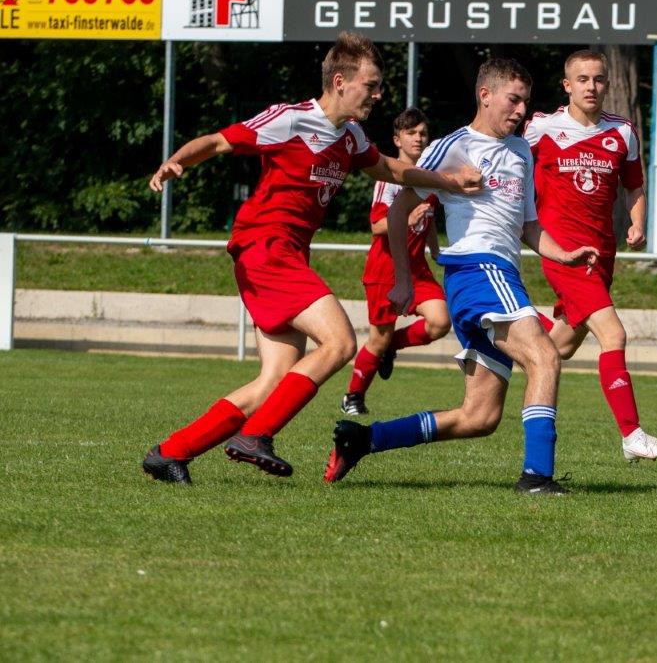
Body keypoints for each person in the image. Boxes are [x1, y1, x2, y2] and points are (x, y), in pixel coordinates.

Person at [141, 32, 480, 485]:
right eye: (371, 86)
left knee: (273, 381)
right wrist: (178, 161)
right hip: (265, 247)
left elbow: (389, 169)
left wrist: (448, 181)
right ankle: (256, 435)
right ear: (340, 82)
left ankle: (170, 453)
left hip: (286, 254)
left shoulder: (350, 137)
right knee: (339, 343)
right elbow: (219, 142)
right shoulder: (291, 120)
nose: (378, 95)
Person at [324, 58, 599, 495]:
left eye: (526, 102)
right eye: (513, 100)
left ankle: (363, 439)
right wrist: (403, 280)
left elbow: (528, 226)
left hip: (500, 275)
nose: (521, 111)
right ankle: (537, 477)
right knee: (545, 357)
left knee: (479, 417)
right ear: (484, 95)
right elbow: (398, 209)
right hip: (477, 270)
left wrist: (564, 254)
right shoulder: (453, 145)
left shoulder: (520, 151)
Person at [523, 50, 657, 462]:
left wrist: (638, 223)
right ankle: (632, 435)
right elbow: (509, 170)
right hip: (565, 254)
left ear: (607, 83)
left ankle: (493, 339)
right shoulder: (540, 129)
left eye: (598, 79)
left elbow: (634, 186)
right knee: (614, 335)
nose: (591, 86)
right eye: (583, 79)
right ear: (567, 85)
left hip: (603, 254)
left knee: (559, 347)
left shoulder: (622, 132)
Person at [342, 108, 450, 416]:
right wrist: (406, 217)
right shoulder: (388, 178)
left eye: (423, 133)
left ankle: (392, 347)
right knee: (379, 338)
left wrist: (435, 251)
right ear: (397, 139)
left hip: (417, 269)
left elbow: (428, 218)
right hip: (385, 270)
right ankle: (353, 396)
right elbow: (377, 225)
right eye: (411, 133)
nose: (418, 138)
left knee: (440, 321)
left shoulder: (429, 175)